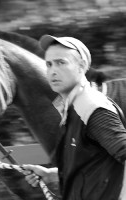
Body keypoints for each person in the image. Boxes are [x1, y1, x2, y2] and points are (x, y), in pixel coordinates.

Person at [22, 35, 126, 200]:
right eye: (49, 64)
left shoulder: (91, 107)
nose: (52, 71)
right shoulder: (71, 108)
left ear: (82, 66)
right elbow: (91, 165)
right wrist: (50, 175)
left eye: (61, 63)